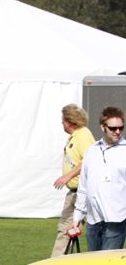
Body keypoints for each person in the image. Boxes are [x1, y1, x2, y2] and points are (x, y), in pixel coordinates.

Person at [71, 106, 126, 251]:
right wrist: (77, 218)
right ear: (103, 127)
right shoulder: (92, 151)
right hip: (93, 221)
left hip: (116, 220)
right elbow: (83, 187)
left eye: (121, 127)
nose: (118, 132)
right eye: (113, 128)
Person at [51, 104, 95, 256]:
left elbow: (88, 160)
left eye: (63, 120)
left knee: (66, 229)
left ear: (69, 121)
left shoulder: (83, 136)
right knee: (67, 228)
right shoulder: (76, 136)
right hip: (74, 191)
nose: (61, 123)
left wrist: (67, 176)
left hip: (81, 192)